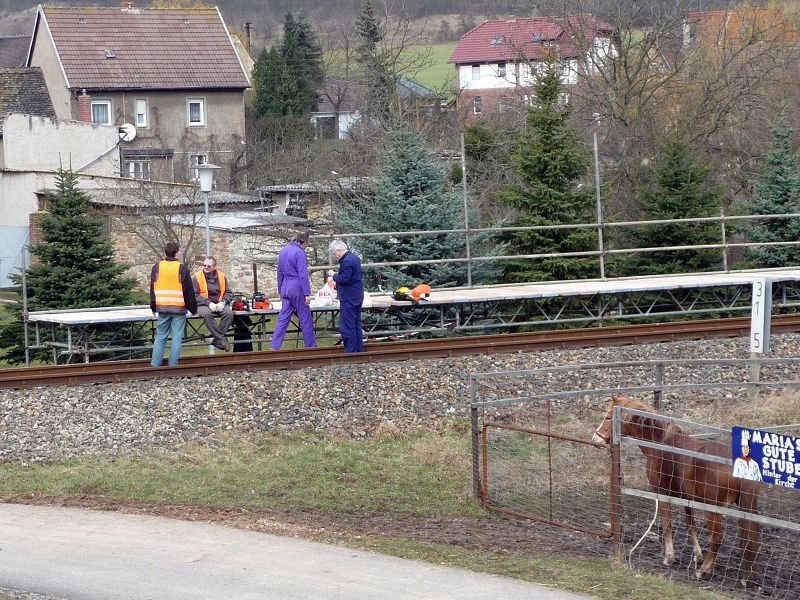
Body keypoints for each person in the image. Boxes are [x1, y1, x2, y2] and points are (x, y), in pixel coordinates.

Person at [150, 241, 197, 367]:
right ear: (176, 253)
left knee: (160, 337)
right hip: (178, 309)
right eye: (179, 251)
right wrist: (193, 309)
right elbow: (188, 291)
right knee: (176, 338)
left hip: (162, 308)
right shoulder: (182, 268)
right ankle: (173, 365)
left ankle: (155, 364)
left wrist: (153, 307)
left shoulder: (157, 267)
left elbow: (152, 289)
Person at [270, 231, 317, 350]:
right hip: (297, 288)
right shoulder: (299, 253)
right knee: (305, 317)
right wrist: (307, 293)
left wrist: (280, 289)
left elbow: (279, 272)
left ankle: (274, 346)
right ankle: (311, 347)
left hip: (285, 287)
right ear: (305, 241)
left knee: (283, 318)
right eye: (308, 242)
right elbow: (303, 274)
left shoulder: (284, 251)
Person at [330, 239, 364, 353]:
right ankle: (358, 349)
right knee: (355, 324)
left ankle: (350, 351)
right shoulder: (354, 258)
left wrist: (334, 275)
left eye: (334, 253)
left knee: (347, 326)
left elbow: (344, 278)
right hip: (357, 294)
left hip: (349, 297)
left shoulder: (347, 261)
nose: (335, 256)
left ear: (338, 251)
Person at [193, 256, 233, 351]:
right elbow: (194, 295)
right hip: (202, 304)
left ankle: (216, 340)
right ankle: (221, 339)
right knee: (207, 314)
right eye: (204, 265)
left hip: (219, 303)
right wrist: (208, 303)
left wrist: (223, 302)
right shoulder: (197, 277)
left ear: (215, 267)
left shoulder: (222, 276)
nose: (206, 267)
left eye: (209, 266)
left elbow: (229, 292)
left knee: (229, 313)